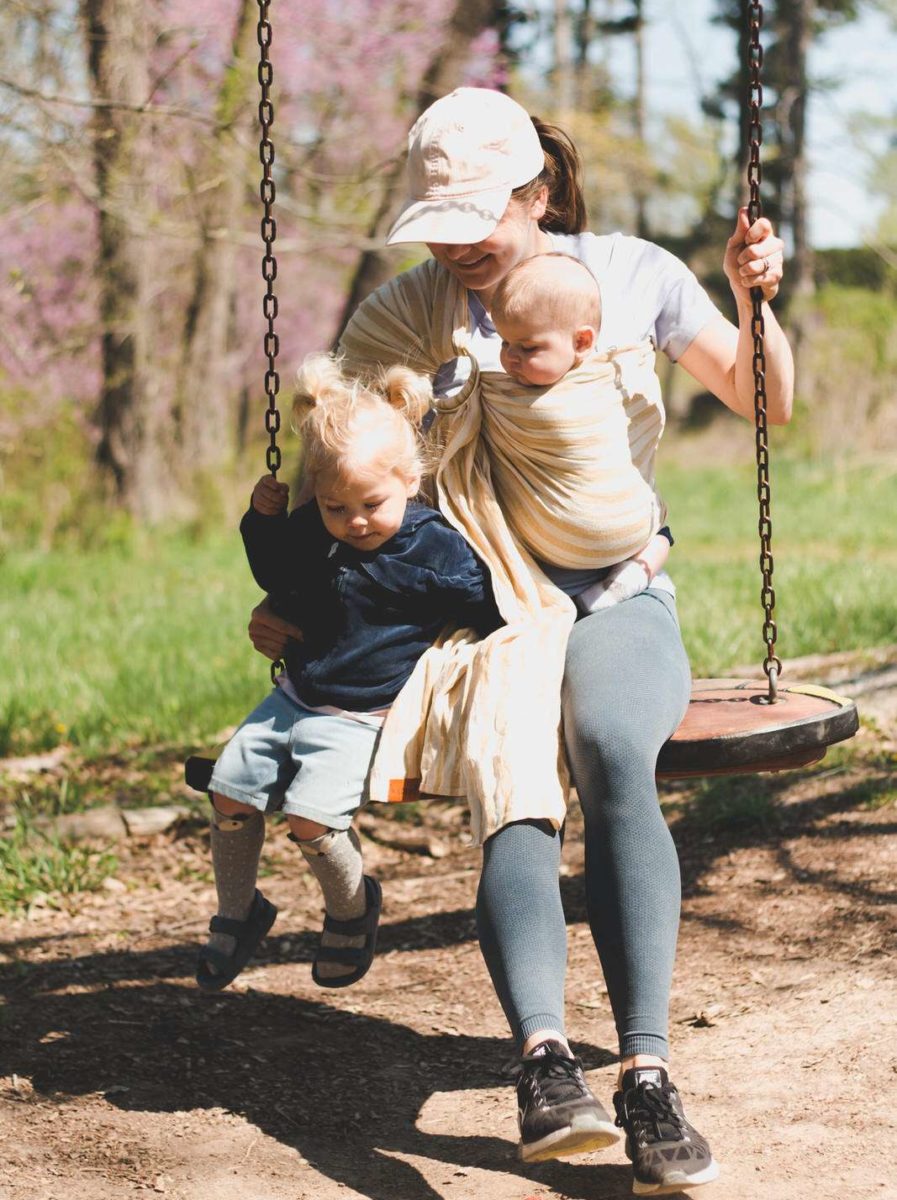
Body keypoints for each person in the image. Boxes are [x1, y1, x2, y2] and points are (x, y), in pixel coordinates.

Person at [247, 87, 794, 1195]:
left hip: (615, 595)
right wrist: (295, 597)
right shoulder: (402, 315)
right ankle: (546, 1068)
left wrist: (755, 302)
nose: (458, 242)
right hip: (475, 611)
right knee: (513, 777)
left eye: (479, 216)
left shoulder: (632, 275)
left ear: (535, 193)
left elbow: (761, 401)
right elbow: (345, 480)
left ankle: (646, 1074)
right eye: (438, 221)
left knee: (609, 751)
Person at [196, 352, 499, 993]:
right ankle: (239, 911)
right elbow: (278, 575)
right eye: (336, 507)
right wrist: (263, 522)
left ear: (410, 479)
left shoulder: (435, 549)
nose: (354, 522)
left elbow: (492, 605)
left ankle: (352, 911)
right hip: (296, 692)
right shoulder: (321, 530)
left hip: (363, 714)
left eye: (370, 504)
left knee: (312, 821)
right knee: (228, 789)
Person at [489, 250, 673, 612]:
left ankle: (632, 578)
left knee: (661, 534)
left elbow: (642, 414)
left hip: (628, 531)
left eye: (527, 347)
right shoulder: (502, 398)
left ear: (583, 343)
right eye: (504, 343)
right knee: (662, 534)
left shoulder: (608, 378)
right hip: (546, 559)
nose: (510, 357)